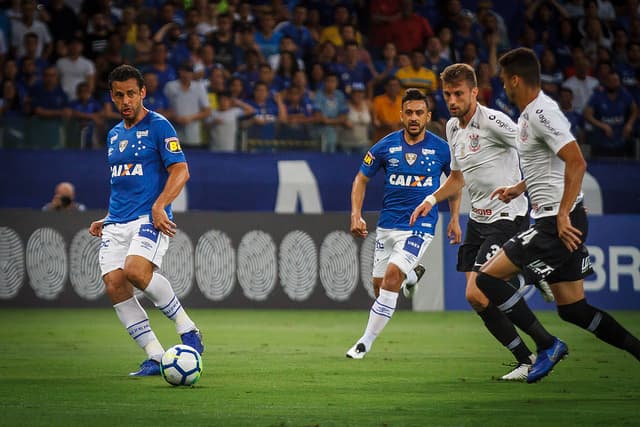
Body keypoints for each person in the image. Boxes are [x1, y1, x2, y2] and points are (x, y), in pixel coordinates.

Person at [463, 48, 640, 382]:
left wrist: (561, 215)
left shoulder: (542, 113)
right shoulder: (530, 115)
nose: (503, 86)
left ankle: (547, 344)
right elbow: (549, 167)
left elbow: (577, 161)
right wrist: (519, 187)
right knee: (574, 309)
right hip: (564, 218)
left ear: (516, 79)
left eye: (504, 80)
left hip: (556, 224)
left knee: (486, 279)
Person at [410, 63, 539, 381]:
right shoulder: (452, 128)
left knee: (485, 284)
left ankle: (534, 270)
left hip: (508, 215)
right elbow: (456, 179)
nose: (452, 100)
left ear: (474, 92)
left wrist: (524, 188)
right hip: (478, 219)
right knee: (475, 296)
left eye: (458, 93)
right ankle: (526, 359)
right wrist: (431, 201)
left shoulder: (495, 122)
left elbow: (539, 148)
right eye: (447, 94)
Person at [88, 64, 204, 377]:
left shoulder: (159, 126)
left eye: (131, 94)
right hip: (118, 221)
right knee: (114, 284)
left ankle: (187, 328)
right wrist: (108, 217)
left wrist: (160, 206)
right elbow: (124, 182)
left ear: (142, 93)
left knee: (135, 271)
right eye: (119, 95)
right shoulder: (113, 136)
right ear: (112, 97)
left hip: (149, 218)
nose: (125, 100)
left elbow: (181, 170)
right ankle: (155, 355)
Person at [345, 88, 460, 359]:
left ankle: (364, 342)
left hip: (420, 224)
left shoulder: (441, 149)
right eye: (409, 112)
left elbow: (455, 184)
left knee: (391, 276)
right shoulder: (385, 146)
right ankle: (412, 275)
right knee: (380, 286)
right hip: (388, 225)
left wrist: (454, 218)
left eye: (419, 113)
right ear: (401, 115)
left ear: (428, 116)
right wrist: (355, 214)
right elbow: (361, 178)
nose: (414, 117)